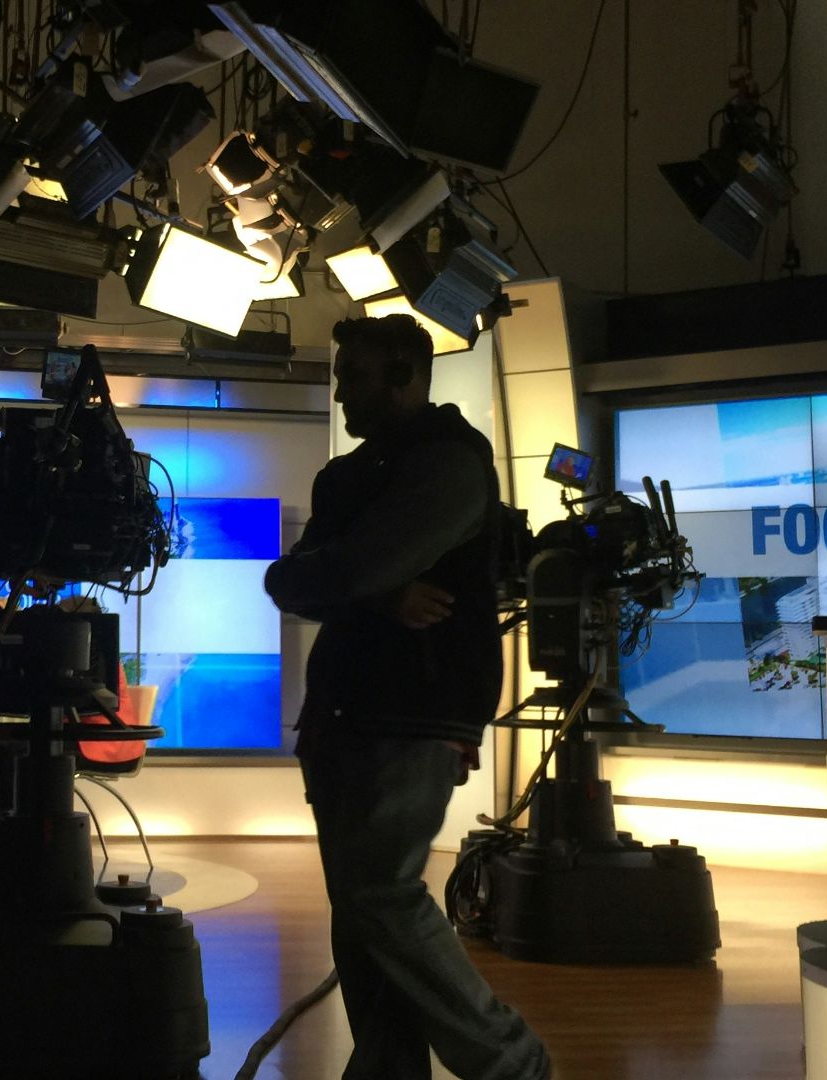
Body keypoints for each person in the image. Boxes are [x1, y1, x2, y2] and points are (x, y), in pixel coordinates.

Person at [264, 315, 550, 1080]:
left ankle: (511, 1064)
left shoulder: (450, 466)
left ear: (407, 376)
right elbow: (294, 580)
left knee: (382, 898)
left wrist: (354, 580)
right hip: (345, 715)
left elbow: (340, 570)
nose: (339, 391)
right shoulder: (349, 477)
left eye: (352, 376)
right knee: (361, 919)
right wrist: (382, 595)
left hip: (410, 716)